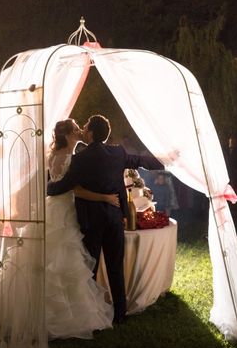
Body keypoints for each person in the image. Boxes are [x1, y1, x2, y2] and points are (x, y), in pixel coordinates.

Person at [0, 119, 117, 348]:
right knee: (63, 256)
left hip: (52, 206)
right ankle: (61, 315)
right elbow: (70, 186)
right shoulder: (72, 158)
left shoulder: (54, 155)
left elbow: (52, 184)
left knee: (46, 256)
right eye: (77, 130)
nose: (81, 131)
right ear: (71, 135)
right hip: (65, 210)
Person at [47, 115, 163, 324]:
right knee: (115, 267)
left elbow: (66, 185)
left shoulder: (81, 159)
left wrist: (47, 188)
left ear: (90, 134)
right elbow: (140, 161)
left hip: (91, 221)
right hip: (114, 217)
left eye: (84, 128)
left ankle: (89, 313)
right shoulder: (117, 152)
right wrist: (165, 161)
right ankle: (120, 313)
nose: (82, 130)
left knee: (88, 268)